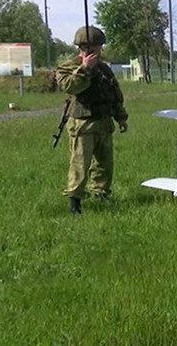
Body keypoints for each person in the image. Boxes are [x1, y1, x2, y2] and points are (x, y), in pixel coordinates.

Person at [56, 26, 129, 215]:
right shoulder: (69, 67)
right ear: (81, 47)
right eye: (91, 47)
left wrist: (120, 117)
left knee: (105, 165)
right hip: (83, 124)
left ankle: (101, 195)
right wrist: (85, 69)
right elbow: (70, 87)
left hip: (104, 122)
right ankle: (75, 203)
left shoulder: (104, 69)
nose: (95, 51)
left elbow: (114, 94)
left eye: (98, 47)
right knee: (80, 164)